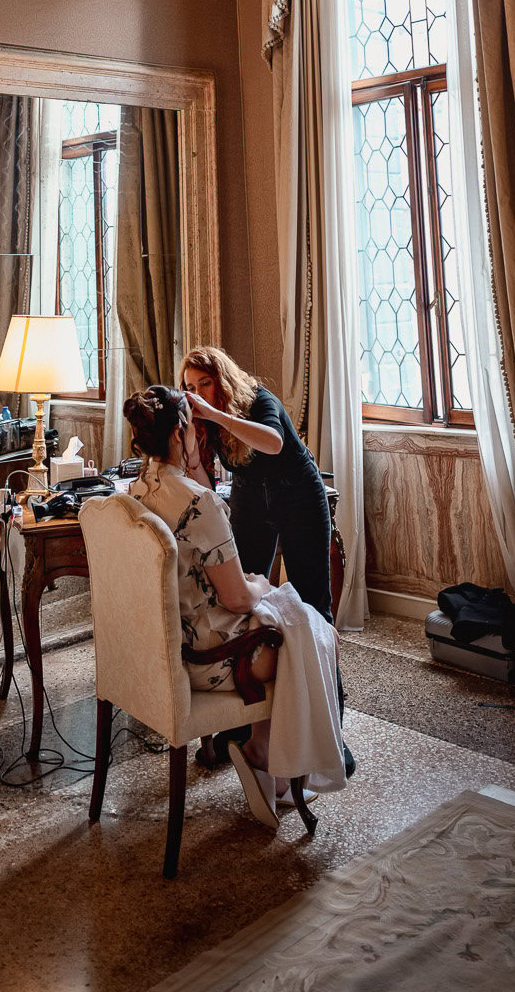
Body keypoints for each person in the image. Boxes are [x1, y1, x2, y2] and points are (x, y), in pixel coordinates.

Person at [179, 346, 357, 777]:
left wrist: (214, 414)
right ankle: (246, 725)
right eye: (189, 387)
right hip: (249, 501)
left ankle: (332, 729)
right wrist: (189, 446)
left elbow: (274, 443)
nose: (197, 393)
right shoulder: (205, 421)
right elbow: (204, 480)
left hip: (298, 494)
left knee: (313, 606)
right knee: (244, 601)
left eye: (205, 383)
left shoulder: (259, 400)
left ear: (222, 379)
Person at [122, 384, 284, 829]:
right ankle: (265, 754)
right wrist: (260, 585)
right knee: (303, 633)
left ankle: (268, 756)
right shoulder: (201, 503)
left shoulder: (132, 495)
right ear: (181, 434)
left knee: (291, 619)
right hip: (204, 657)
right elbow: (234, 598)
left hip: (157, 649)